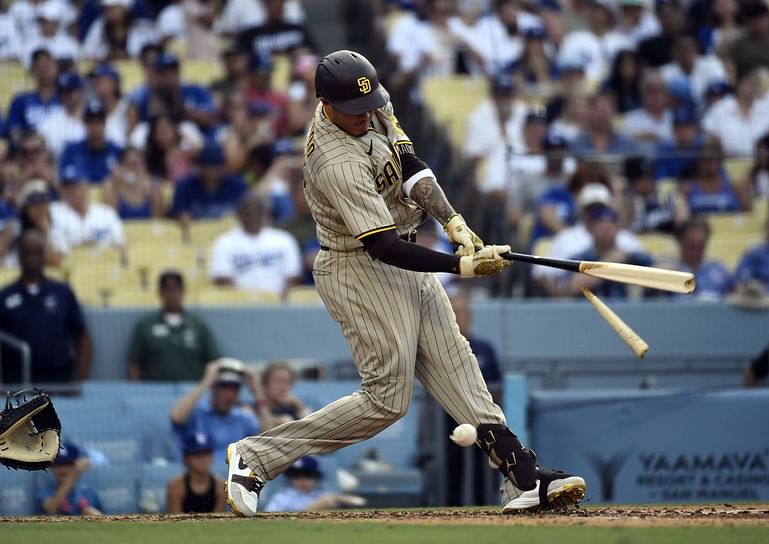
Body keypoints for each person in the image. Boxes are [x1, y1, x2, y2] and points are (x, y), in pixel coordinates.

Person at [225, 50, 585, 517]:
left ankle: (522, 478)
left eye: (369, 105)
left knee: (458, 363)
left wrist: (453, 220)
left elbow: (409, 162)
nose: (365, 116)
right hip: (358, 267)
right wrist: (463, 268)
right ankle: (255, 458)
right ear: (326, 105)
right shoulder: (334, 160)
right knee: (386, 399)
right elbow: (383, 247)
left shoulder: (370, 101)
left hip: (404, 250)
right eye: (353, 112)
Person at [0, 230, 90, 384]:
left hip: (59, 383)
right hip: (17, 385)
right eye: (27, 252)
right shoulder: (5, 296)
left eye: (36, 252)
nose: (31, 258)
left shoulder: (63, 293)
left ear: (43, 256)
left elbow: (82, 336)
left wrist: (79, 379)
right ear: (19, 256)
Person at [444, 292, 501, 506]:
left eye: (460, 313)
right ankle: (447, 512)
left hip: (483, 420)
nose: (457, 318)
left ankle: (486, 510)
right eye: (452, 314)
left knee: (485, 469)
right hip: (449, 420)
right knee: (451, 468)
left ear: (469, 316)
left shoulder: (485, 348)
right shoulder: (440, 350)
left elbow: (497, 383)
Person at [547, 203, 655, 299]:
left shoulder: (631, 256)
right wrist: (609, 261)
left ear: (618, 227)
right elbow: (571, 287)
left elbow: (660, 270)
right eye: (600, 223)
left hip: (627, 311)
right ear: (590, 228)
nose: (606, 228)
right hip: (587, 313)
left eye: (610, 223)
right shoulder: (580, 258)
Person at [128, 270, 220, 382]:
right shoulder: (146, 325)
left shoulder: (198, 325)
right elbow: (135, 362)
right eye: (167, 290)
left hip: (191, 390)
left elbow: (212, 362)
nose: (172, 295)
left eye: (176, 289)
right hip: (155, 392)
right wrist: (137, 389)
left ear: (183, 292)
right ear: (160, 293)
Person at [208, 193, 302, 296]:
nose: (253, 216)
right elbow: (223, 280)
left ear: (265, 214)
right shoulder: (224, 242)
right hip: (241, 305)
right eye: (247, 212)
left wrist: (280, 302)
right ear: (239, 214)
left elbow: (293, 277)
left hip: (279, 303)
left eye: (257, 211)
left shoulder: (284, 239)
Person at [170, 358, 261, 464]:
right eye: (224, 387)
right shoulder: (196, 411)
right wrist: (206, 381)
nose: (230, 395)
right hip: (201, 477)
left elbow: (269, 441)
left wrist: (258, 392)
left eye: (235, 389)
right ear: (213, 388)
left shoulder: (242, 418)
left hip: (233, 478)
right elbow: (176, 417)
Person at [170, 145, 249, 224]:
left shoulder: (238, 186)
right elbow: (182, 217)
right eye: (207, 168)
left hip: (230, 234)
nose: (212, 173)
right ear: (199, 168)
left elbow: (248, 212)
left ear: (224, 168)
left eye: (216, 168)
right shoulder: (184, 186)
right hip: (198, 234)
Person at [50, 168, 125, 249]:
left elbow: (120, 244)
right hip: (70, 260)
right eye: (66, 187)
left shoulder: (106, 213)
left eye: (75, 186)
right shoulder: (53, 211)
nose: (70, 191)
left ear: (86, 187)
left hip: (104, 260)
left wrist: (97, 245)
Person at [662, 219, 733, 301]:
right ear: (680, 242)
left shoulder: (720, 272)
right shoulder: (668, 272)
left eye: (700, 246)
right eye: (691, 246)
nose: (695, 251)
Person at [263, 456, 363, 512]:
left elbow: (360, 502)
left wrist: (338, 498)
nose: (303, 481)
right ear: (290, 479)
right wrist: (313, 507)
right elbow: (270, 518)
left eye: (308, 476)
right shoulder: (281, 498)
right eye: (297, 476)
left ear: (316, 477)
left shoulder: (322, 495)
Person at [58, 101, 123, 185]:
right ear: (84, 124)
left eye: (99, 122)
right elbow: (62, 180)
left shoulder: (117, 151)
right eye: (91, 122)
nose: (95, 128)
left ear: (105, 124)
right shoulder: (71, 151)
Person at [4, 48, 60, 143]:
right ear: (33, 70)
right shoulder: (20, 101)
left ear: (56, 67)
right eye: (39, 65)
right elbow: (14, 132)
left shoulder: (68, 98)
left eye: (47, 65)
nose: (44, 69)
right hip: (30, 153)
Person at [681, 140, 751, 214]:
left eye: (712, 161)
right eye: (705, 161)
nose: (708, 165)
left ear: (719, 163)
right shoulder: (687, 189)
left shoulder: (735, 188)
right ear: (698, 163)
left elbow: (749, 215)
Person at [166, 430, 226, 513]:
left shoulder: (221, 486)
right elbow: (174, 520)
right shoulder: (176, 486)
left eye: (206, 453)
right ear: (186, 458)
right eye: (196, 454)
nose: (202, 459)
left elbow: (219, 521)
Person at [38, 441, 103, 516]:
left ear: (75, 466)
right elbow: (52, 508)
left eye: (68, 463)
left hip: (86, 527)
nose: (62, 469)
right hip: (57, 527)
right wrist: (71, 479)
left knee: (90, 511)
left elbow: (105, 519)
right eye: (58, 464)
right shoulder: (45, 491)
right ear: (51, 468)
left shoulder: (89, 493)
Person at [236, 0, 315, 58]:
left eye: (279, 2)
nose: (275, 6)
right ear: (264, 4)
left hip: (296, 76)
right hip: (261, 76)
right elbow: (240, 58)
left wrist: (304, 53)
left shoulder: (297, 30)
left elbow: (314, 53)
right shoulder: (251, 35)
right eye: (271, 2)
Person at [102, 146, 164, 219]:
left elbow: (158, 219)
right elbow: (110, 218)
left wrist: (153, 193)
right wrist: (117, 185)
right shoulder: (111, 184)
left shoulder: (153, 182)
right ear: (120, 166)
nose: (134, 168)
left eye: (137, 164)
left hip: (147, 229)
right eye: (129, 164)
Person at [253, 361, 311, 432]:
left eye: (287, 382)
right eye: (277, 381)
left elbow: (313, 429)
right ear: (265, 384)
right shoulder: (253, 410)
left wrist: (298, 404)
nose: (283, 387)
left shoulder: (292, 410)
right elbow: (266, 433)